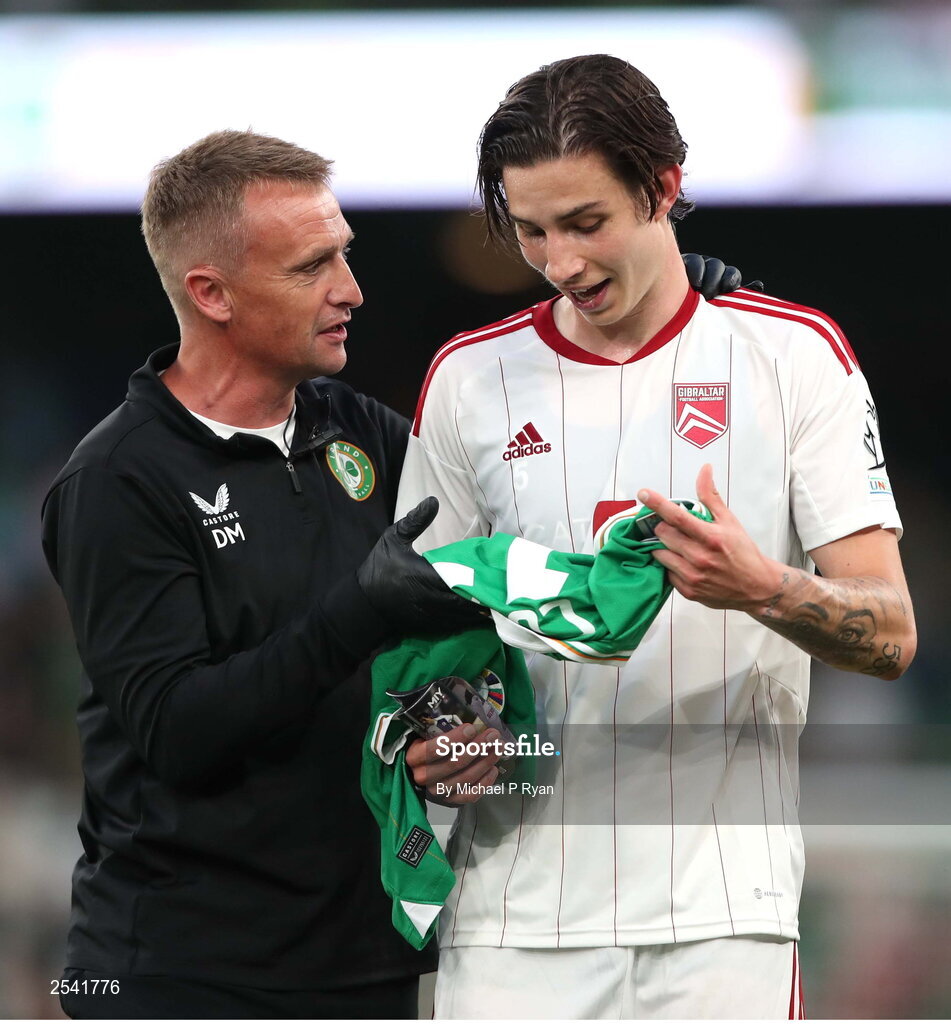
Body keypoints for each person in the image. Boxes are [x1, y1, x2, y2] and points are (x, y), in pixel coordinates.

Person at [397, 55, 916, 1019]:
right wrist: (440, 731)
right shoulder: (469, 381)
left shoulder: (793, 357)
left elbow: (890, 633)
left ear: (663, 188)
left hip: (723, 917)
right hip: (512, 921)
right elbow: (419, 628)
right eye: (532, 231)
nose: (561, 262)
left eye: (586, 223)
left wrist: (764, 588)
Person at [39, 129, 488, 1019]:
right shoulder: (119, 480)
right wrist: (357, 613)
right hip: (180, 978)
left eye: (345, 256)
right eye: (310, 267)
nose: (350, 291)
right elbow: (176, 729)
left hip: (365, 965)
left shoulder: (362, 431)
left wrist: (466, 712)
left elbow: (483, 580)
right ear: (211, 294)